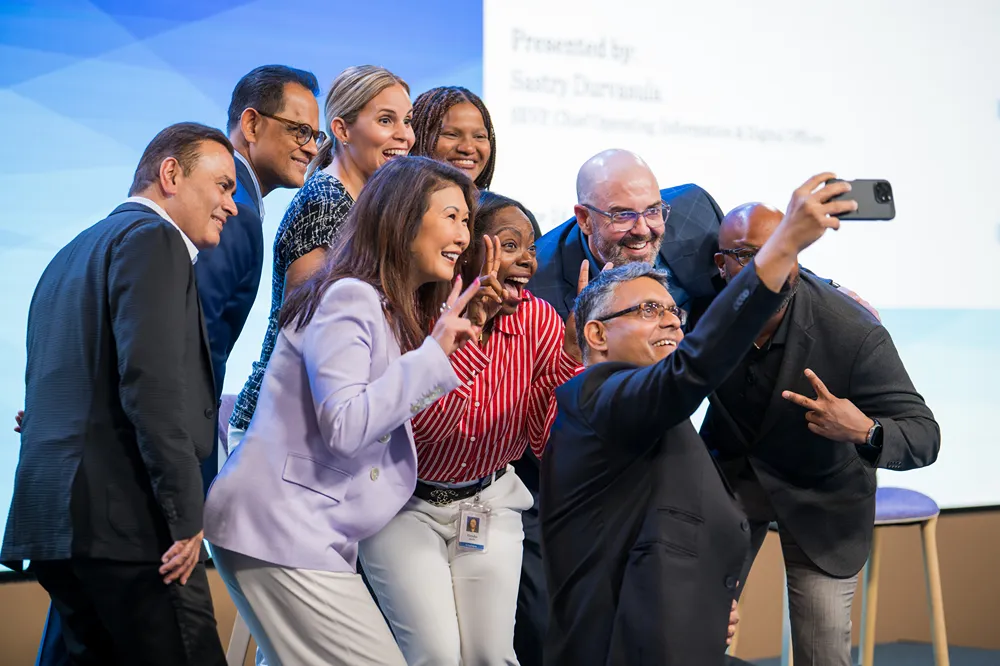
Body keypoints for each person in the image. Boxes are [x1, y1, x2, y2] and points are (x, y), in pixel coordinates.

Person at [540, 173, 858, 666]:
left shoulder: (646, 407)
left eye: (673, 311)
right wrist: (783, 245)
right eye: (648, 309)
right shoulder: (595, 398)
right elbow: (695, 367)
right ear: (596, 335)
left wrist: (706, 599)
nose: (670, 319)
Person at [203, 156, 480, 665]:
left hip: (300, 532)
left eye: (466, 220)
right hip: (280, 528)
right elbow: (346, 425)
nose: (463, 235)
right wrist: (432, 358)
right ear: (401, 219)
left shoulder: (381, 305)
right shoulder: (350, 296)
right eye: (450, 216)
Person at [1, 122, 237, 665]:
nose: (232, 205)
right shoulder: (154, 239)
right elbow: (150, 387)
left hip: (59, 530)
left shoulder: (71, 253)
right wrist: (185, 518)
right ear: (171, 174)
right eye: (223, 185)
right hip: (128, 529)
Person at [701, 202, 941, 666]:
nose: (771, 264)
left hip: (821, 499)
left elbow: (924, 435)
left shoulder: (851, 331)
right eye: (751, 254)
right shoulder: (698, 308)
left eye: (784, 249)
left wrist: (865, 430)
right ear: (721, 264)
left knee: (823, 652)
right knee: (690, 631)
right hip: (730, 486)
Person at [359, 191, 580, 666]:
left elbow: (545, 443)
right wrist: (473, 333)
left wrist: (573, 362)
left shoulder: (540, 320)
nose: (526, 259)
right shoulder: (417, 316)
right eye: (510, 244)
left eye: (532, 248)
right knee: (436, 656)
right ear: (468, 250)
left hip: (488, 503)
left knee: (491, 656)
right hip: (403, 505)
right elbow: (419, 433)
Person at [228, 64, 413, 447]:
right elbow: (307, 332)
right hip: (281, 432)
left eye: (407, 121)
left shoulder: (357, 204)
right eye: (385, 120)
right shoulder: (327, 202)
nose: (404, 135)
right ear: (342, 130)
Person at [194, 64, 321, 491]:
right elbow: (198, 341)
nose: (310, 148)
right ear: (251, 124)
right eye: (299, 131)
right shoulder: (234, 209)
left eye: (315, 137)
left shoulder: (232, 199)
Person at [410, 86, 496, 189]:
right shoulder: (398, 203)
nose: (468, 148)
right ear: (418, 137)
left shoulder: (499, 205)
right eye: (451, 135)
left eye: (479, 136)